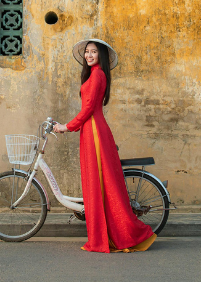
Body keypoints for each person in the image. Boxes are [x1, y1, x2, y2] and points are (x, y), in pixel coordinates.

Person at [52, 39, 157, 253]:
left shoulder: (98, 75)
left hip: (94, 132)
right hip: (91, 131)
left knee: (99, 183)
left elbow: (88, 109)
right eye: (87, 52)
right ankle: (106, 234)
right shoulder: (93, 74)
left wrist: (66, 127)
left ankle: (115, 235)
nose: (89, 55)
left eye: (93, 52)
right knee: (99, 183)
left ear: (101, 55)